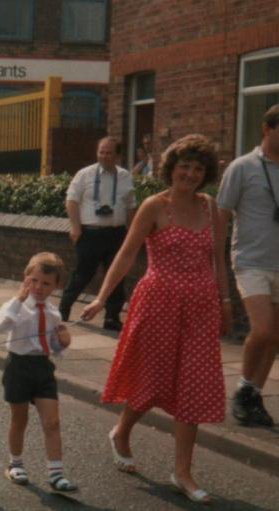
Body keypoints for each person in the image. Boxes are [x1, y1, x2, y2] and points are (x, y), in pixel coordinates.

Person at [81, 135, 228, 503]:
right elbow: (127, 254)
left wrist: (225, 301)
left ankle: (182, 473)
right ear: (171, 168)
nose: (190, 174)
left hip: (200, 306)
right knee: (152, 382)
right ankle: (121, 432)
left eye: (197, 168)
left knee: (192, 385)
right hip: (158, 304)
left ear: (205, 173)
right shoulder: (153, 206)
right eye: (184, 166)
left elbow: (218, 260)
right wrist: (101, 298)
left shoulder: (211, 207)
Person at [218, 104, 279, 429]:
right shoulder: (243, 167)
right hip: (250, 261)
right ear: (267, 129)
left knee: (275, 336)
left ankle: (253, 393)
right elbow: (221, 212)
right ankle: (243, 387)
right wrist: (214, 255)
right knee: (263, 329)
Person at [0, 252, 76, 493]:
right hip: (18, 366)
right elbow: (1, 326)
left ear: (56, 286)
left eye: (46, 284)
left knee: (52, 421)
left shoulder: (54, 313)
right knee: (20, 420)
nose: (39, 288)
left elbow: (53, 348)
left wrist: (62, 342)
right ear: (25, 278)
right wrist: (17, 300)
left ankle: (56, 473)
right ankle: (15, 464)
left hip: (42, 368)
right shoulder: (15, 306)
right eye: (34, 281)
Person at [59, 137, 136, 331]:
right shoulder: (84, 175)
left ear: (118, 155)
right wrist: (75, 227)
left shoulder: (125, 176)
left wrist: (131, 232)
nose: (104, 156)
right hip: (90, 234)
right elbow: (71, 201)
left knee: (116, 276)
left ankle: (111, 317)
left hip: (116, 233)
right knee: (82, 274)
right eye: (101, 151)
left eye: (109, 152)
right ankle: (62, 311)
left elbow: (130, 206)